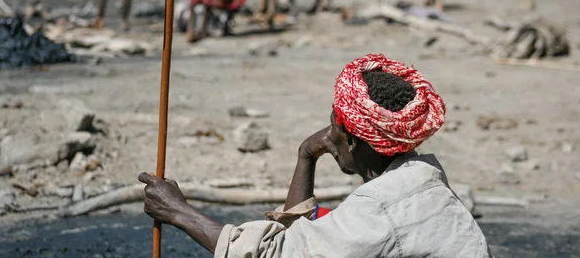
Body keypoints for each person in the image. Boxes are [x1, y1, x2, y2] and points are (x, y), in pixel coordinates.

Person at [139, 53, 494, 257]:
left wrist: (178, 212)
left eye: (334, 126)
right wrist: (306, 156)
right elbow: (297, 239)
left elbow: (273, 254)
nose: (328, 135)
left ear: (353, 141)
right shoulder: (422, 180)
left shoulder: (379, 209)